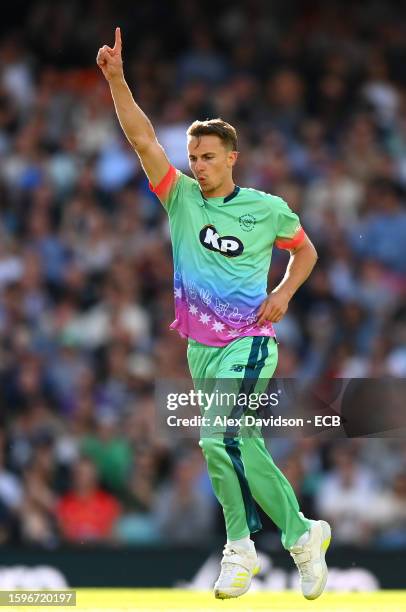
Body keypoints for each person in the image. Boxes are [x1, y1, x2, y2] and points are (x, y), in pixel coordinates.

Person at [96, 27, 331, 600]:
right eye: (193, 156)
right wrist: (117, 80)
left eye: (207, 157)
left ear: (232, 158)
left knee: (214, 436)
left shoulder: (267, 209)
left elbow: (306, 252)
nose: (197, 165)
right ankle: (303, 534)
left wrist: (284, 291)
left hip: (250, 341)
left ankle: (241, 548)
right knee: (240, 444)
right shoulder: (178, 196)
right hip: (200, 348)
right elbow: (142, 138)